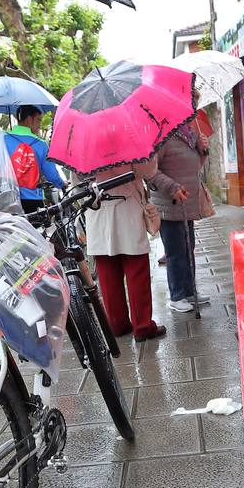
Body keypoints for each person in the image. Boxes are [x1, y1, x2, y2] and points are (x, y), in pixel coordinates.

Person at [86, 158, 165, 342]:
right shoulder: (127, 136)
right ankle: (143, 326)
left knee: (107, 273)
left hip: (97, 211)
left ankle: (117, 324)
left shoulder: (81, 141)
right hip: (127, 207)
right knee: (137, 271)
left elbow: (77, 181)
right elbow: (148, 170)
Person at [150, 122, 210, 312]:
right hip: (170, 203)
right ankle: (177, 296)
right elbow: (150, 173)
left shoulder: (189, 134)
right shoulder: (162, 135)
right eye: (190, 104)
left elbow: (194, 167)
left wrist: (203, 151)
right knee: (175, 253)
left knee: (188, 249)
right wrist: (171, 187)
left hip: (187, 202)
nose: (191, 111)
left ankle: (189, 291)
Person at [4, 105, 67, 214]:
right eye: (38, 120)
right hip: (32, 200)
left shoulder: (3, 139)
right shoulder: (40, 144)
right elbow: (51, 175)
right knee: (35, 230)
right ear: (29, 119)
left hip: (6, 198)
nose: (40, 125)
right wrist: (61, 184)